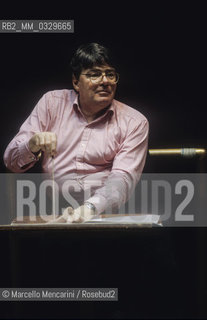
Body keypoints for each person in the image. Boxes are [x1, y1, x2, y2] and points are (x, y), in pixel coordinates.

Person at [3, 43, 149, 223]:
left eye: (110, 74)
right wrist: (31, 145)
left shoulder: (134, 122)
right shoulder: (51, 103)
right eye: (94, 74)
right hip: (51, 210)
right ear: (75, 82)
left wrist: (90, 207)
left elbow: (122, 179)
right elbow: (11, 163)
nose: (105, 81)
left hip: (105, 214)